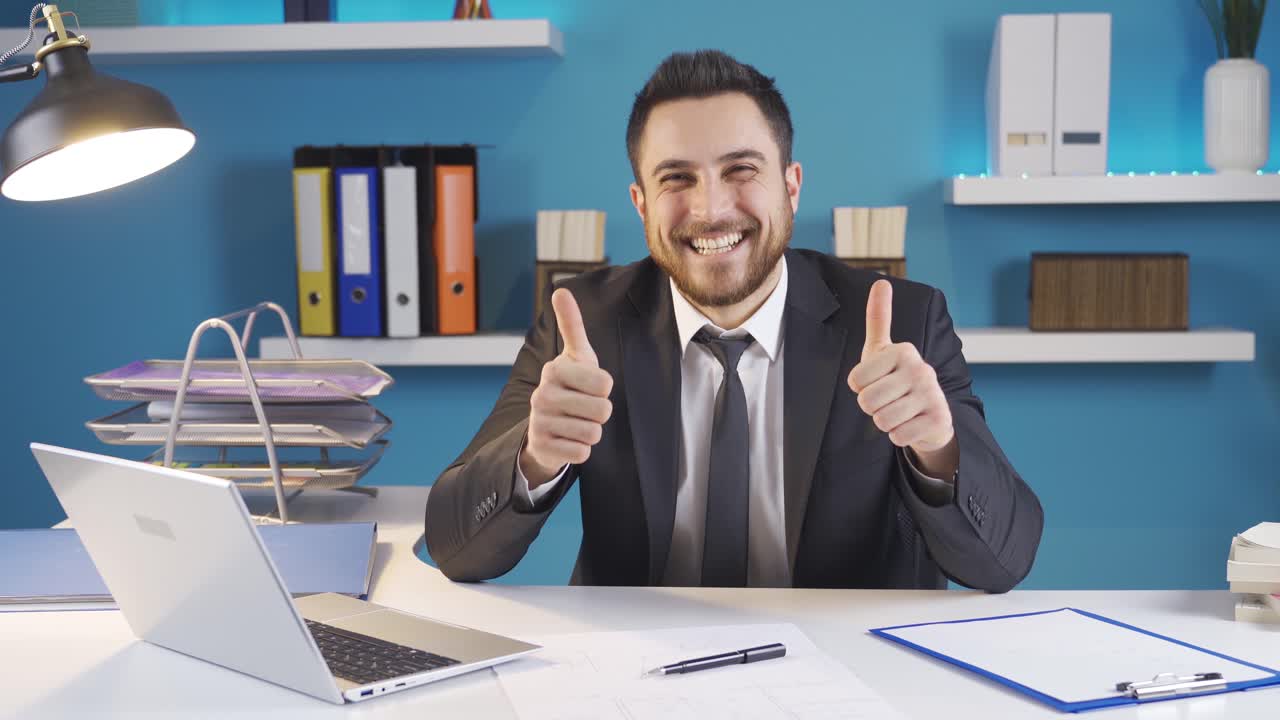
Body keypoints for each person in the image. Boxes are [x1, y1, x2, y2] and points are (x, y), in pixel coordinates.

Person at [424, 49, 1043, 591]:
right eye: (676, 179)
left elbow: (1005, 561)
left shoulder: (903, 321)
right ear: (641, 204)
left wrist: (937, 450)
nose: (711, 209)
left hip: (846, 666)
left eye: (741, 170)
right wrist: (534, 459)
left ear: (791, 187)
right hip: (639, 664)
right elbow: (454, 548)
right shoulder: (583, 324)